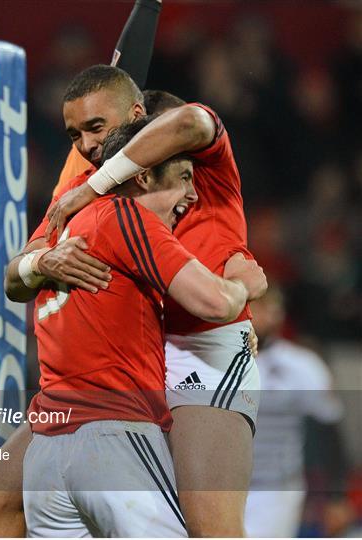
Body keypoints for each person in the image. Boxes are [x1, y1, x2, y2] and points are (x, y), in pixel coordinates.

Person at [0, 2, 162, 535]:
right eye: (76, 135)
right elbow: (13, 277)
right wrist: (44, 262)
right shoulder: (82, 174)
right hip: (73, 393)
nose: (86, 145)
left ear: (138, 115)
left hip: (161, 378)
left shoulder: (175, 163)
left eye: (96, 129)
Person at [22, 118, 266, 537]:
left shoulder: (63, 224)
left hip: (45, 452)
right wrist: (246, 285)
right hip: (110, 432)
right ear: (144, 173)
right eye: (185, 177)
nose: (193, 192)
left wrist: (33, 263)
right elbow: (216, 302)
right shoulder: (124, 215)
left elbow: (14, 279)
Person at [244, 285, 344, 538]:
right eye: (255, 306)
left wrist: (336, 496)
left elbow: (328, 431)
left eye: (269, 307)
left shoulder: (302, 365)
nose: (262, 315)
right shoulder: (211, 361)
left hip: (275, 489)